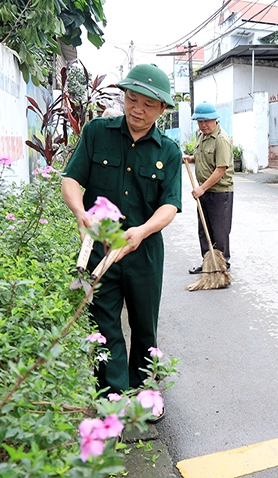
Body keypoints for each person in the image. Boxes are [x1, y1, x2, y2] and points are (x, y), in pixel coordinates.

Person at [62, 64, 182, 403]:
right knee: (104, 325)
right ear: (124, 97)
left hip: (142, 252)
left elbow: (169, 206)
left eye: (147, 104)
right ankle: (113, 396)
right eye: (132, 99)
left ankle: (144, 393)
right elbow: (71, 179)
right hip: (100, 249)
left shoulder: (169, 152)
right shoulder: (97, 133)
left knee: (144, 326)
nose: (137, 110)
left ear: (162, 109)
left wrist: (142, 230)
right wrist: (79, 212)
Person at [183, 102, 234, 274]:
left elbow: (221, 169)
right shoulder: (202, 136)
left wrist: (202, 188)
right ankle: (208, 263)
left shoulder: (221, 139)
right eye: (199, 121)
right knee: (204, 230)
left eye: (206, 121)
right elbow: (201, 157)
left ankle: (222, 265)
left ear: (215, 120)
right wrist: (190, 158)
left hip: (219, 192)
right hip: (204, 191)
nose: (203, 125)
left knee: (219, 231)